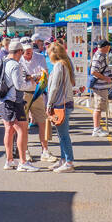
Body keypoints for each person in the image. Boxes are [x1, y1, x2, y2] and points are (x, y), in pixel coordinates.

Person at [0, 41, 39, 172]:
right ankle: (23, 162)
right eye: (21, 52)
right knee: (22, 129)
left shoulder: (3, 61)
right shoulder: (15, 65)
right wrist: (32, 83)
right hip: (14, 101)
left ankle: (9, 160)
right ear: (19, 52)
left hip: (2, 100)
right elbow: (19, 86)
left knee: (9, 130)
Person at [20, 41, 57, 162]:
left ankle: (45, 151)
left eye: (29, 49)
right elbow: (22, 77)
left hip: (37, 93)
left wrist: (31, 77)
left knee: (43, 121)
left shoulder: (39, 57)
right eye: (25, 50)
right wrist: (35, 76)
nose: (28, 52)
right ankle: (25, 151)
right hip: (23, 94)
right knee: (23, 125)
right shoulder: (18, 59)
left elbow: (45, 74)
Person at [44, 42, 76, 173]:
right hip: (65, 103)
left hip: (59, 104)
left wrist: (49, 103)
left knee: (63, 135)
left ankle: (68, 161)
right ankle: (64, 159)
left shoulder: (58, 66)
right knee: (62, 134)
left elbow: (54, 88)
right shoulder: (65, 65)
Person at [90, 40, 112, 137]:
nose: (108, 49)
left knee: (99, 108)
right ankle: (96, 129)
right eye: (108, 47)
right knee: (98, 108)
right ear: (105, 47)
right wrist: (106, 78)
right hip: (99, 87)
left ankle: (98, 128)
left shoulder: (100, 55)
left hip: (101, 87)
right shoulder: (99, 56)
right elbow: (93, 71)